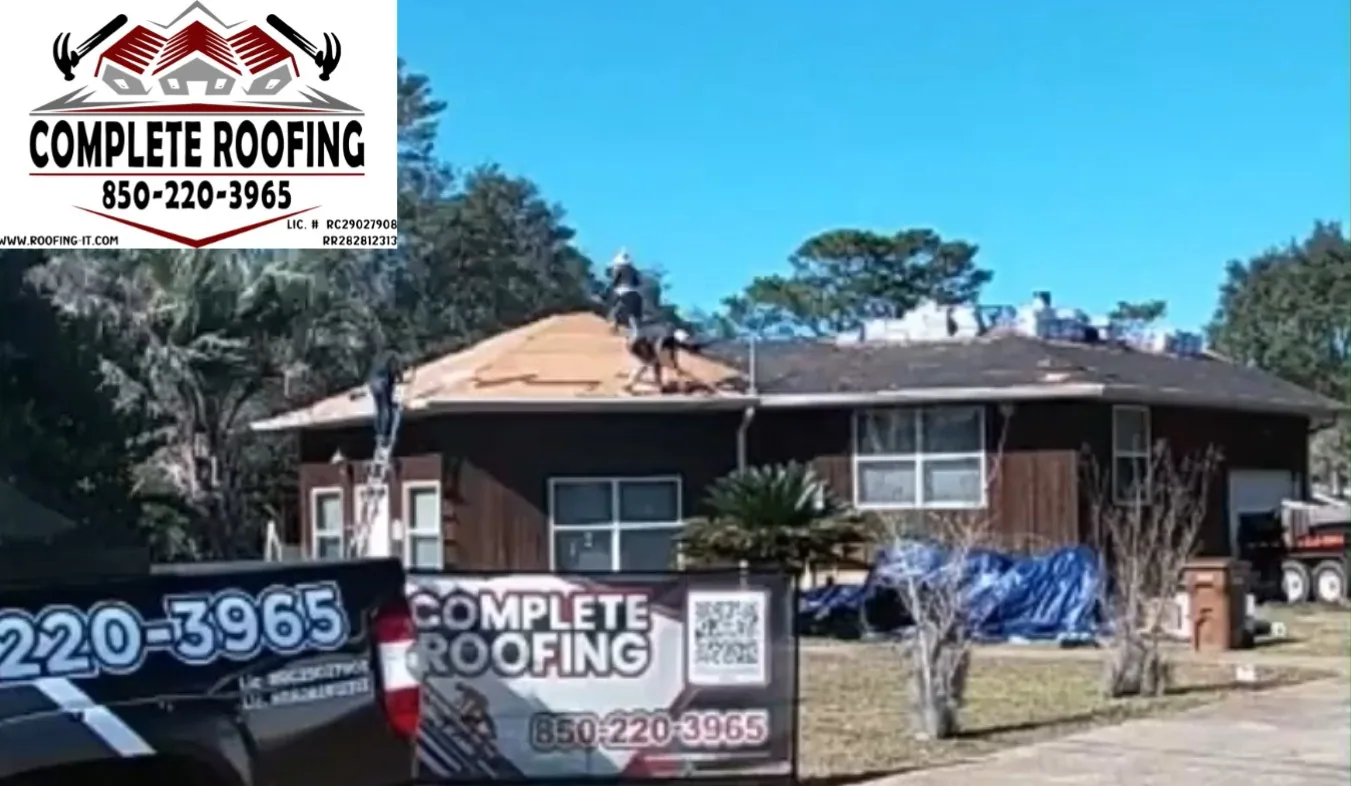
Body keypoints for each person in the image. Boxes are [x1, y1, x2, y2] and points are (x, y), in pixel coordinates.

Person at [368, 351, 404, 449]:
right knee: (385, 410)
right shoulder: (395, 355)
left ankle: (379, 435)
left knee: (379, 410)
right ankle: (385, 435)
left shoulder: (381, 356)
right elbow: (396, 369)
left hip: (373, 383)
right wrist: (401, 378)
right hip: (382, 383)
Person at [606, 249, 644, 332]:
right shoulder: (634, 270)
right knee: (633, 314)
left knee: (615, 308)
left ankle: (614, 325)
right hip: (634, 292)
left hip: (621, 292)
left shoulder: (619, 268)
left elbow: (615, 280)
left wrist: (612, 284)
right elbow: (637, 282)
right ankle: (636, 330)